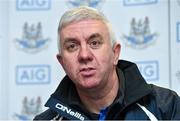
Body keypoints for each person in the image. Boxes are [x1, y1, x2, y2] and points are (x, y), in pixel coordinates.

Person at [34, 6, 180, 120]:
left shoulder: (165, 107)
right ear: (62, 62)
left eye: (94, 43)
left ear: (115, 53)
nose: (84, 55)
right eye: (72, 46)